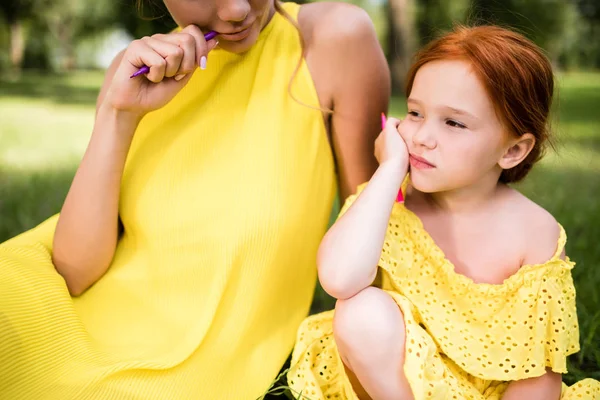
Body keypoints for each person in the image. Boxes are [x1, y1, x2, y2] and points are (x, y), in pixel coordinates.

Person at [0, 0, 390, 398]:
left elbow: (380, 251)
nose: (237, 8)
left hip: (178, 371)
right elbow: (74, 272)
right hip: (51, 310)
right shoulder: (133, 69)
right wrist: (119, 114)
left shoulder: (333, 40)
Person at [287, 25, 600, 400]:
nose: (421, 136)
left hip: (492, 393)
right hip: (396, 386)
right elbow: (339, 279)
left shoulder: (535, 233)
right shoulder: (387, 204)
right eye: (415, 113)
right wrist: (388, 172)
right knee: (359, 311)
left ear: (513, 150)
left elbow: (539, 373)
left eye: (453, 122)